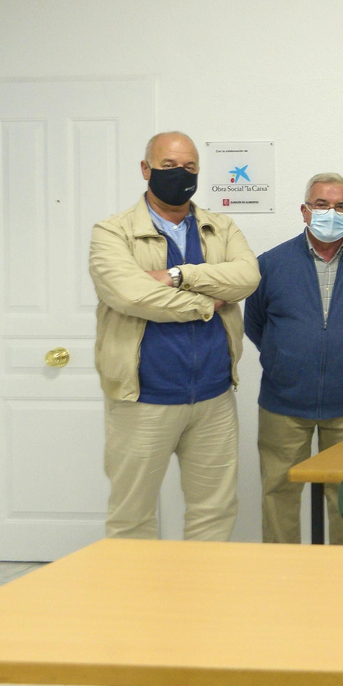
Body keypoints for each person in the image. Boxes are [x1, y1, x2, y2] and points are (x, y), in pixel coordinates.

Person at [88, 131, 259, 540]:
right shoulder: (112, 233)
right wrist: (207, 304)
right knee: (132, 516)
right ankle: (139, 602)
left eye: (189, 167)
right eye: (168, 166)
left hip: (214, 397)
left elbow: (247, 277)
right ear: (145, 169)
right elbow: (131, 295)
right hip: (143, 398)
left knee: (214, 512)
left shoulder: (220, 227)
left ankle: (201, 600)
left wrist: (180, 275)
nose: (180, 174)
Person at [243, 173, 343, 545]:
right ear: (305, 211)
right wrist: (288, 359)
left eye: (340, 206)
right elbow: (255, 324)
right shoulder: (272, 263)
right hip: (283, 403)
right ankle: (284, 575)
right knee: (278, 492)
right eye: (322, 204)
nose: (331, 212)